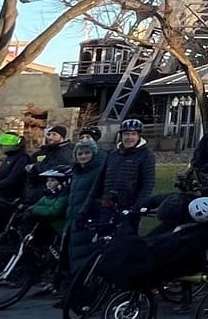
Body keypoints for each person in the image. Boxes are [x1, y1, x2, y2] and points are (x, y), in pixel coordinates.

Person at [64, 137, 106, 281]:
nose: (83, 156)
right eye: (80, 154)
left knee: (84, 253)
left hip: (88, 217)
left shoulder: (97, 171)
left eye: (87, 153)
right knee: (73, 252)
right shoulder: (76, 173)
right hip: (74, 217)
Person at [96, 119, 157, 219]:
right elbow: (101, 179)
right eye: (126, 134)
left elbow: (148, 183)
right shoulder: (113, 154)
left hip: (130, 206)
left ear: (138, 136)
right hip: (108, 204)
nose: (129, 137)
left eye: (133, 134)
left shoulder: (146, 155)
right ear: (121, 136)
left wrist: (137, 206)